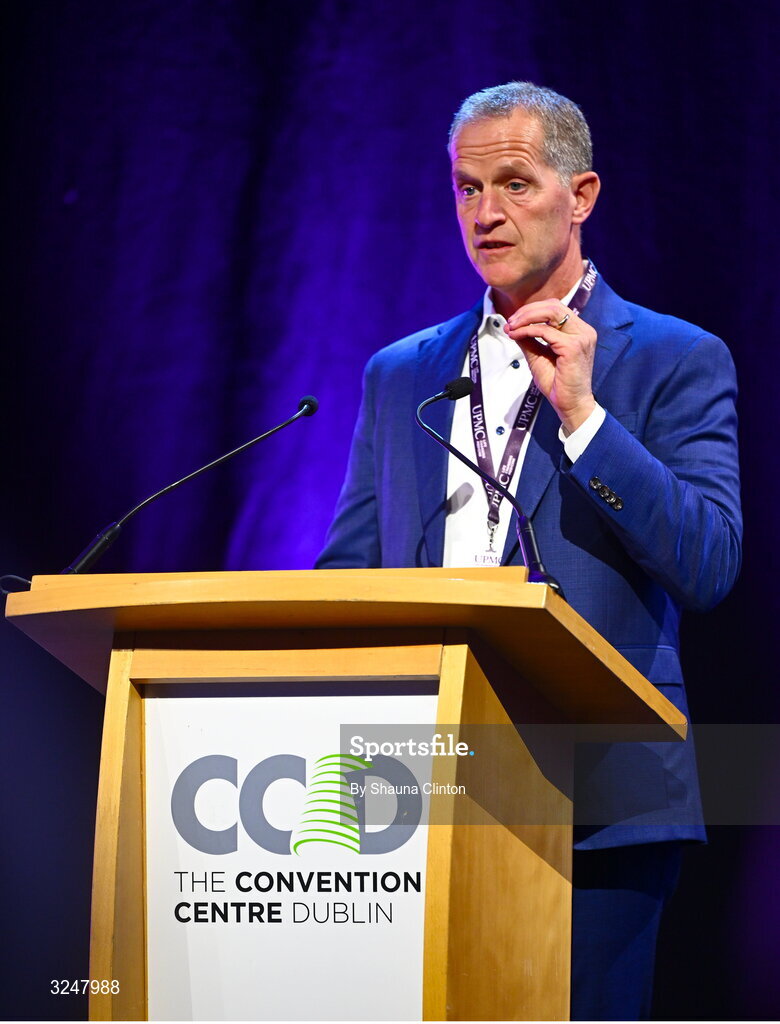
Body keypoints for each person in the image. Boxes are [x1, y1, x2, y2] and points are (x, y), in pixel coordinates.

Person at [316, 82, 742, 1019]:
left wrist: (584, 417)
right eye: (467, 189)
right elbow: (348, 575)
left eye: (514, 183)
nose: (485, 213)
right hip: (418, 789)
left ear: (580, 195)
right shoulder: (401, 374)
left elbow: (709, 561)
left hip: (602, 795)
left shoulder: (674, 357)